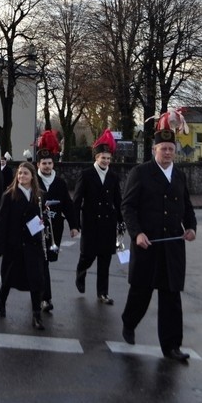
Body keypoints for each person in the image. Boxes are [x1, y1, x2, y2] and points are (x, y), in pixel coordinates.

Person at [121, 117, 197, 362]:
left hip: (173, 246)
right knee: (141, 293)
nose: (167, 153)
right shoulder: (141, 173)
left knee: (171, 298)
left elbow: (187, 207)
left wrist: (192, 227)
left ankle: (172, 346)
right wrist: (137, 233)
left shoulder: (179, 176)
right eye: (163, 149)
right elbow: (128, 207)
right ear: (154, 150)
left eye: (171, 149)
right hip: (147, 245)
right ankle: (129, 322)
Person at [0, 161, 47, 330]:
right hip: (14, 245)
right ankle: (1, 300)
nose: (22, 176)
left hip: (32, 244)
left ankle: (36, 315)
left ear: (32, 176)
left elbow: (41, 216)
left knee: (35, 280)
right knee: (8, 278)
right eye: (20, 173)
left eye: (25, 173)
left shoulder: (39, 195)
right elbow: (1, 222)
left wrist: (41, 223)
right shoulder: (9, 195)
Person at [73, 129, 123, 305]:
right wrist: (74, 223)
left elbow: (118, 200)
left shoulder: (113, 176)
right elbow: (77, 199)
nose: (106, 161)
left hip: (108, 223)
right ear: (96, 157)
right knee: (88, 256)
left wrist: (122, 221)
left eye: (109, 158)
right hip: (90, 222)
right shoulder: (86, 175)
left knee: (105, 260)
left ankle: (103, 293)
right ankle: (81, 272)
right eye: (103, 158)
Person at [37, 150, 78, 312]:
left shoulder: (60, 183)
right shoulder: (32, 180)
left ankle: (38, 292)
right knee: (43, 261)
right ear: (38, 165)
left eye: (49, 163)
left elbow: (68, 205)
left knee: (46, 260)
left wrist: (74, 225)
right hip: (35, 228)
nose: (47, 166)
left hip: (55, 228)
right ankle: (45, 298)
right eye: (44, 163)